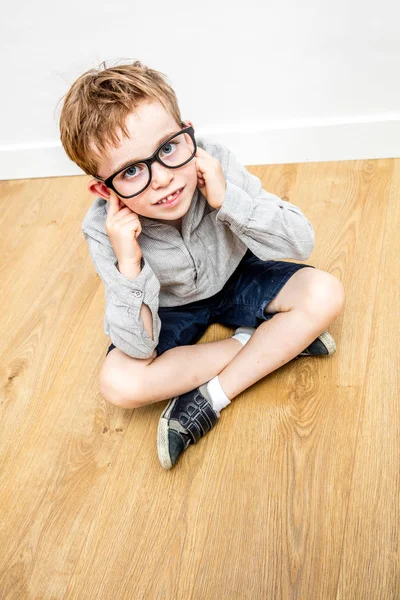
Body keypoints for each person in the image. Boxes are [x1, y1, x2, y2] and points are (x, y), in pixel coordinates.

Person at [58, 60, 345, 470]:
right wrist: (128, 262)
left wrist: (229, 201)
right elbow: (137, 345)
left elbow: (301, 241)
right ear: (104, 189)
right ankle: (263, 346)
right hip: (170, 308)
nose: (161, 179)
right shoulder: (104, 229)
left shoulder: (215, 161)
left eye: (169, 148)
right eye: (133, 170)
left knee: (326, 292)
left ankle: (211, 398)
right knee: (118, 382)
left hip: (237, 276)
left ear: (186, 131)